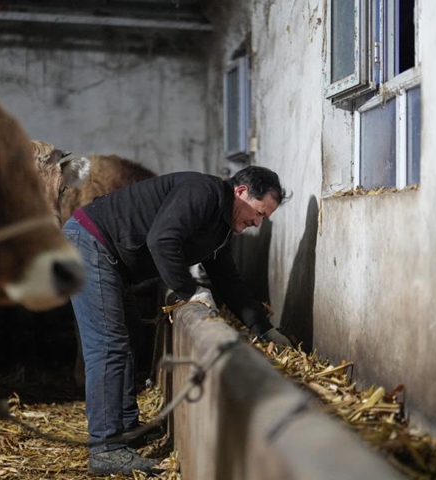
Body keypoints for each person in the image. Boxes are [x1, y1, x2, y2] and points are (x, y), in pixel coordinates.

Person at [62, 165, 292, 475]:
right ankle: (106, 448)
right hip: (89, 242)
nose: (256, 223)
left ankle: (126, 428)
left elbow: (227, 279)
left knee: (127, 336)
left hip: (109, 257)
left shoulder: (220, 226)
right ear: (240, 192)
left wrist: (263, 328)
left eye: (263, 218)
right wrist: (190, 291)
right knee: (108, 346)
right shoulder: (204, 192)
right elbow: (163, 240)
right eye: (259, 213)